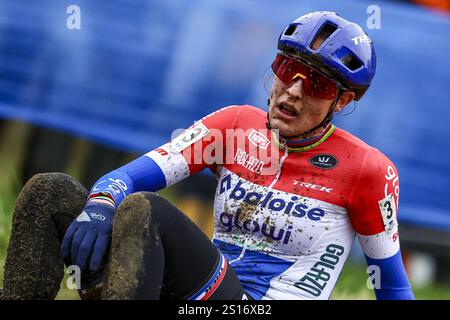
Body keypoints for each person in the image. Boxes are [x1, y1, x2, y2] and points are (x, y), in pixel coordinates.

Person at [1, 11, 414, 300]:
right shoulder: (234, 124)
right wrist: (100, 204)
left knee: (148, 211)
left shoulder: (367, 169)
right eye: (288, 69)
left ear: (341, 101)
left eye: (318, 85)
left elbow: (393, 286)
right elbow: (125, 178)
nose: (293, 90)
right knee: (51, 193)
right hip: (195, 288)